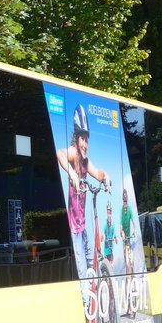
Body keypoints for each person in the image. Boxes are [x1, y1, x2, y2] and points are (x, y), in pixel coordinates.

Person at [57, 104, 110, 266]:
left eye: (87, 140)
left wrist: (105, 176)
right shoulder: (74, 152)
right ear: (76, 138)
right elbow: (60, 153)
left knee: (89, 263)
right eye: (82, 139)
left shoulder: (85, 161)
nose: (85, 144)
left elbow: (97, 172)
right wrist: (72, 173)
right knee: (81, 265)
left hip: (82, 226)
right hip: (74, 229)